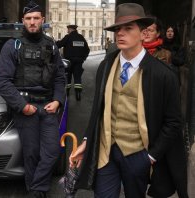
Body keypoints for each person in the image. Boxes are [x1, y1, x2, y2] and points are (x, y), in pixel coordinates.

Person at [69, 3, 188, 198]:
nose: (120, 34)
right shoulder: (106, 66)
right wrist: (86, 141)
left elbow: (173, 122)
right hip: (106, 152)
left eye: (128, 28)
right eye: (118, 29)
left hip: (138, 155)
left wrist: (150, 157)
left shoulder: (163, 75)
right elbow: (98, 111)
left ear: (143, 33)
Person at [0, 1, 66, 197]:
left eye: (36, 18)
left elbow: (60, 77)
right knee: (32, 153)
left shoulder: (51, 45)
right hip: (26, 108)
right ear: (22, 21)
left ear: (43, 20)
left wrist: (58, 100)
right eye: (28, 18)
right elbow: (3, 82)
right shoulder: (12, 46)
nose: (32, 22)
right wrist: (23, 106)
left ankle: (35, 189)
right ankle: (38, 191)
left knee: (52, 152)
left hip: (48, 106)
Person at [56, 24, 90, 101]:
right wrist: (83, 58)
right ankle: (78, 95)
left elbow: (59, 44)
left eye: (68, 29)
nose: (67, 31)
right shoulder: (81, 37)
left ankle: (67, 94)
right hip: (79, 61)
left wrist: (53, 43)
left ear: (71, 29)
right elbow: (87, 49)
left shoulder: (68, 37)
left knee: (68, 77)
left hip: (69, 61)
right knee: (77, 78)